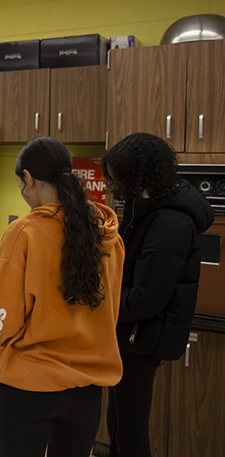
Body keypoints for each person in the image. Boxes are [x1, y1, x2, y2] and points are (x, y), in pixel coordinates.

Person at [0, 136, 124, 457]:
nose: (24, 194)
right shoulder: (108, 232)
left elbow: (1, 318)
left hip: (31, 382)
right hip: (88, 387)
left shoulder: (25, 231)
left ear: (29, 178)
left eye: (20, 186)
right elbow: (111, 309)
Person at [102, 132, 214, 457]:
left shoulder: (170, 222)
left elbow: (145, 299)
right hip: (131, 334)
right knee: (118, 428)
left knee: (131, 434)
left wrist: (99, 306)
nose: (116, 187)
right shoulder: (147, 207)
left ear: (139, 175)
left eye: (119, 179)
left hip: (143, 337)